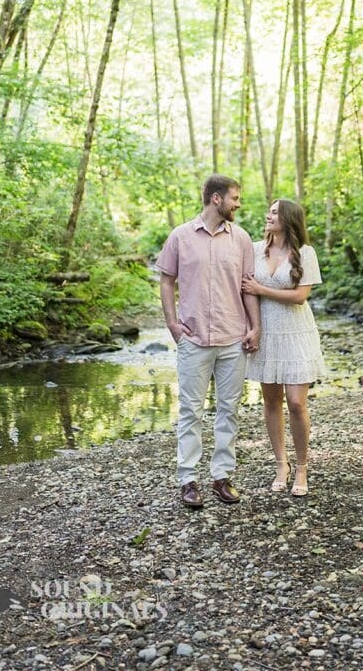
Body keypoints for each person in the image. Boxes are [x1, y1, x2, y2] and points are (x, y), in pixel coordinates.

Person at [157, 174, 262, 509]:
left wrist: (255, 327)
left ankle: (221, 477)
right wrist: (172, 323)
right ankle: (188, 480)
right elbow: (166, 279)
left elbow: (248, 286)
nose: (238, 204)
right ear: (216, 199)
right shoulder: (181, 236)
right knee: (190, 411)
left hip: (233, 338)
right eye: (234, 198)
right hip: (195, 338)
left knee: (228, 411)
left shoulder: (242, 239)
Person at [242, 198, 327, 496]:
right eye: (269, 210)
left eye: (275, 212)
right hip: (266, 332)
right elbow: (246, 291)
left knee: (296, 403)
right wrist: (253, 327)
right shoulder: (253, 249)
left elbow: (300, 296)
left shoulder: (305, 253)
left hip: (296, 333)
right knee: (270, 400)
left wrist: (262, 289)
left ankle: (302, 467)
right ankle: (282, 464)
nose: (268, 214)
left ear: (289, 218)